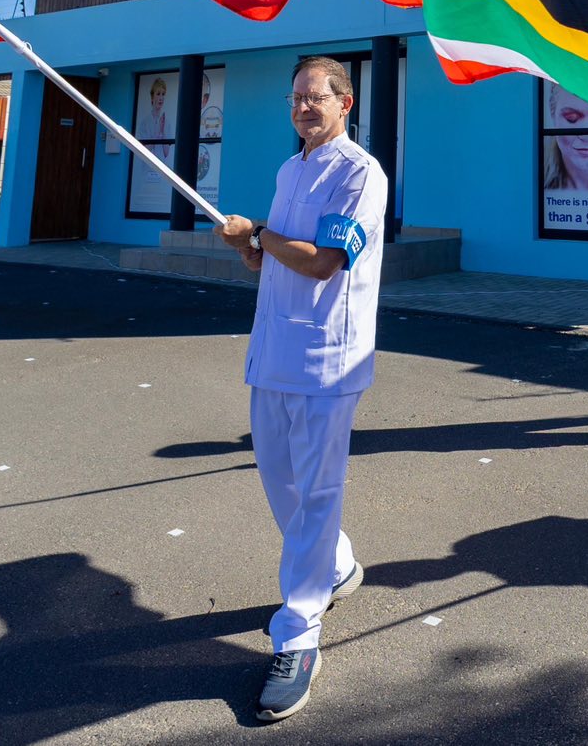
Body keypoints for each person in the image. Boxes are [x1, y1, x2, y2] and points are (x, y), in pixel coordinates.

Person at [216, 58, 388, 723]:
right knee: (280, 480)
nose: (303, 108)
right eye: (296, 99)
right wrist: (247, 245)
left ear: (345, 102)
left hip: (326, 358)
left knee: (315, 491)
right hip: (273, 352)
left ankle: (299, 631)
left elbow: (321, 261)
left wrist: (259, 234)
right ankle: (337, 564)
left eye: (315, 99)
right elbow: (273, 256)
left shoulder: (360, 174)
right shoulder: (291, 170)